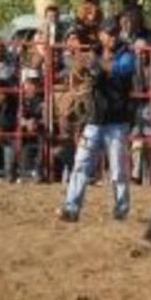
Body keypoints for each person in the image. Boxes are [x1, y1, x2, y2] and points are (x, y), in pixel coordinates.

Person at [59, 18, 136, 222]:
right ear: (101, 34)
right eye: (107, 33)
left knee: (118, 170)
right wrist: (83, 67)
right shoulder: (94, 52)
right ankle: (71, 208)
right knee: (81, 164)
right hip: (95, 119)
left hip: (117, 121)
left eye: (113, 34)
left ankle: (121, 210)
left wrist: (94, 63)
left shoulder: (126, 54)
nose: (110, 38)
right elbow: (78, 72)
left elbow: (122, 70)